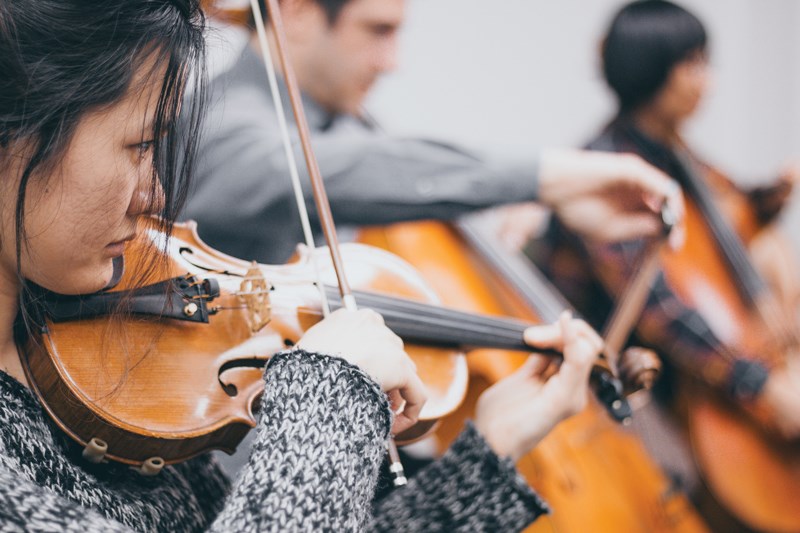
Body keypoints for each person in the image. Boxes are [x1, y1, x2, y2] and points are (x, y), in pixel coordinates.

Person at [0, 1, 607, 530]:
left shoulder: (98, 354)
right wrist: (330, 396)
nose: (158, 195)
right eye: (140, 146)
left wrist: (490, 456)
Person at [181, 0, 685, 267]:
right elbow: (339, 169)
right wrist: (549, 175)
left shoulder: (331, 119)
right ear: (294, 11)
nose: (392, 62)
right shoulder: (224, 119)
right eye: (378, 30)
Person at [529, 0, 800, 443]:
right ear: (650, 70)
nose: (707, 82)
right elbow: (663, 310)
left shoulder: (676, 152)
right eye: (692, 64)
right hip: (608, 383)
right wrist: (762, 386)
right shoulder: (606, 170)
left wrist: (770, 199)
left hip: (668, 373)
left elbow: (732, 209)